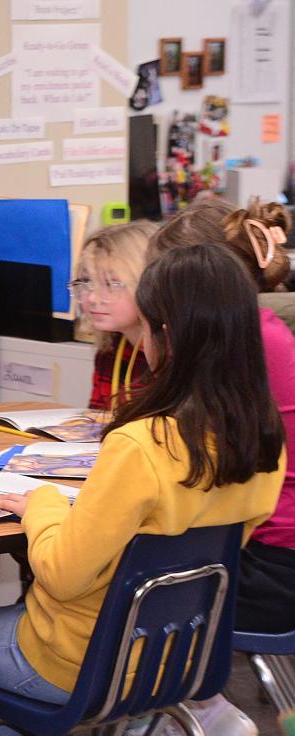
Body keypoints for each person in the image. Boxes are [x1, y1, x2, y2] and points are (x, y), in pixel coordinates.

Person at [0, 243, 287, 736]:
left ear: (167, 336)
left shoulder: (141, 445)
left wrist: (41, 503)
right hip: (178, 654)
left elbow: (64, 576)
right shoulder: (263, 442)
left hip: (76, 660)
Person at [151, 197, 295, 633]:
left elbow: (177, 451)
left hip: (270, 566)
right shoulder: (263, 327)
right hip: (272, 552)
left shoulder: (245, 343)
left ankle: (184, 691)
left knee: (103, 573)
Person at [71, 220, 159, 411]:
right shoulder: (110, 350)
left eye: (110, 284)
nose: (93, 297)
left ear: (146, 285)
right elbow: (96, 423)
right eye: (87, 281)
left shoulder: (171, 358)